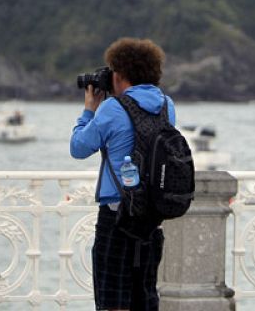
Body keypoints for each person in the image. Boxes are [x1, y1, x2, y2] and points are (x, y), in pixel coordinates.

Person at [70, 38, 176, 311]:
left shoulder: (112, 109)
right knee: (145, 296)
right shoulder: (167, 106)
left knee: (114, 301)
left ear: (119, 75)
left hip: (117, 214)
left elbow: (79, 147)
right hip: (152, 216)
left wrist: (89, 111)